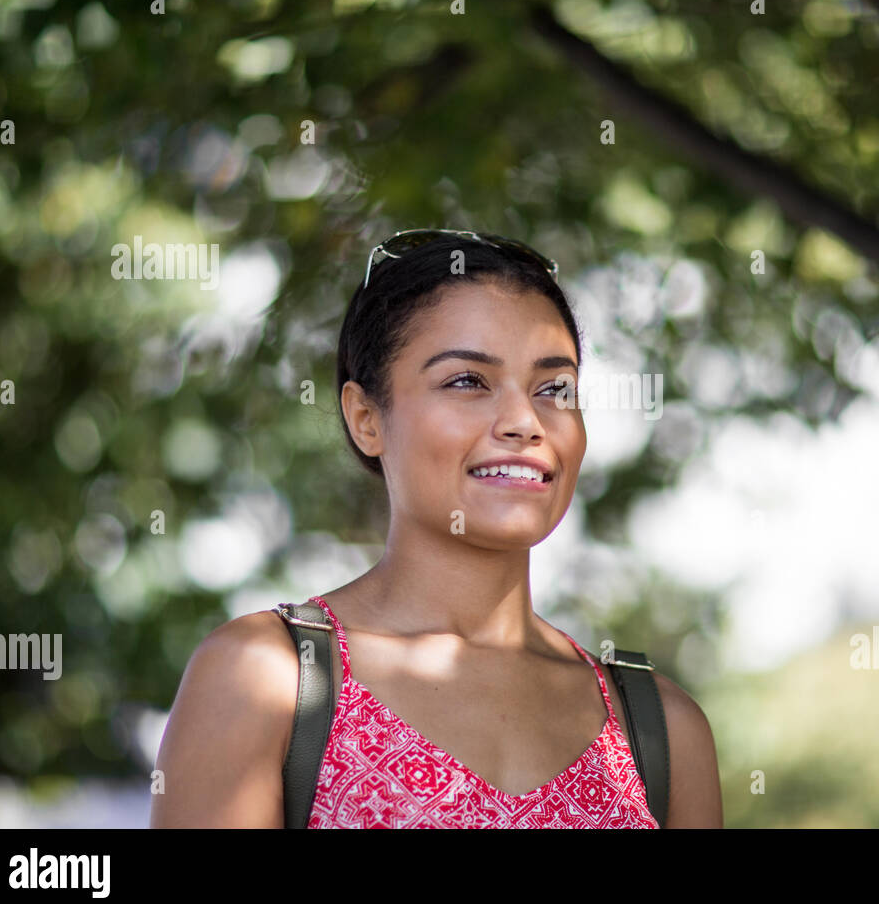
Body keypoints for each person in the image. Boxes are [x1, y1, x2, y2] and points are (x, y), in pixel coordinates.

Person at [150, 229, 723, 827]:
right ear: (366, 418)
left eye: (554, 388)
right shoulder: (268, 679)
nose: (526, 422)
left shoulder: (660, 732)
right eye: (467, 381)